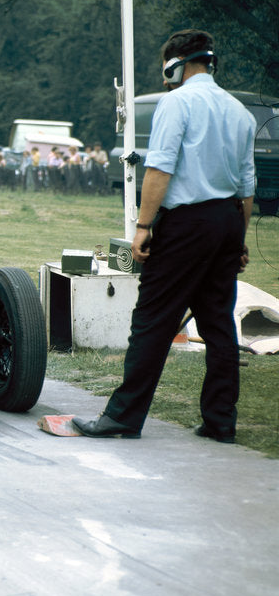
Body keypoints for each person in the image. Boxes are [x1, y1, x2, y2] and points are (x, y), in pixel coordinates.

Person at [73, 29, 255, 442]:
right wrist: (237, 241)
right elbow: (247, 187)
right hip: (227, 218)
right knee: (218, 324)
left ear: (177, 65)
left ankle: (123, 416)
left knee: (153, 318)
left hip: (188, 222)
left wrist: (142, 226)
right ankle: (220, 421)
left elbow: (160, 169)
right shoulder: (240, 112)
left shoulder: (176, 103)